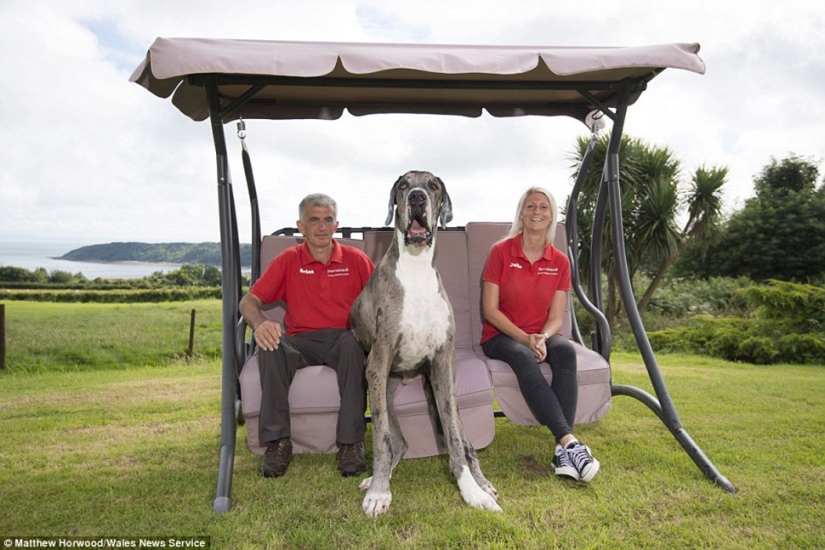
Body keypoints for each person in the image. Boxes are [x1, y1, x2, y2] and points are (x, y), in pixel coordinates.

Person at [239, 193, 375, 478]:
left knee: (353, 343)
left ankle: (351, 443)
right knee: (271, 344)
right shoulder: (288, 260)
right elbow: (248, 303)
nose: (322, 227)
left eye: (328, 220)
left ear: (336, 224)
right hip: (301, 340)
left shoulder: (356, 259)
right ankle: (278, 443)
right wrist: (261, 323)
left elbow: (383, 301)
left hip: (344, 338)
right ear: (301, 226)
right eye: (314, 220)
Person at [480, 187, 600, 482]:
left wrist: (543, 338)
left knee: (567, 351)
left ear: (551, 216)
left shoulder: (560, 261)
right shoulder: (500, 251)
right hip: (500, 336)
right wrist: (525, 339)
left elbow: (557, 317)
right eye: (530, 206)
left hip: (540, 335)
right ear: (521, 213)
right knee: (523, 356)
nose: (536, 212)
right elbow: (490, 311)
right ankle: (569, 442)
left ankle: (564, 452)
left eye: (543, 207)